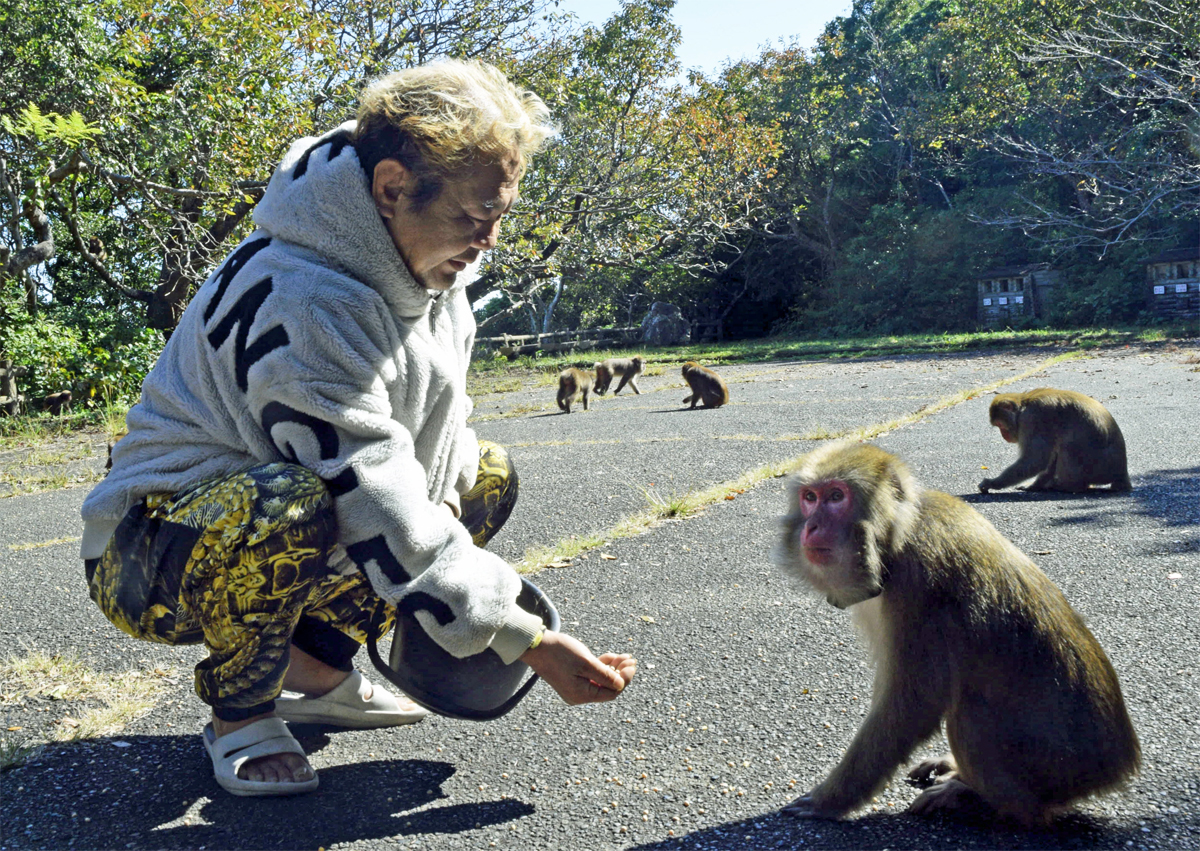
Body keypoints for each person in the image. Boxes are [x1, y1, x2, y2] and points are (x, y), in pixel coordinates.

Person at [81, 59, 637, 797]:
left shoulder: (424, 262)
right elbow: (367, 489)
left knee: (485, 473)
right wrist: (520, 633)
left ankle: (315, 666)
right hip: (145, 550)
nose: (491, 240)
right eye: (475, 218)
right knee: (295, 503)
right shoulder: (308, 300)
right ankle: (239, 714)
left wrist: (448, 530)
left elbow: (437, 440)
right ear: (391, 188)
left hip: (285, 495)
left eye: (499, 212)